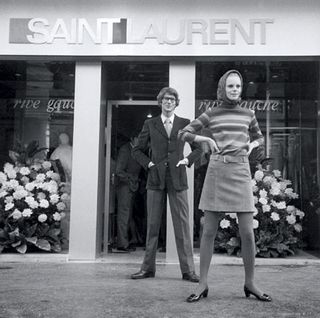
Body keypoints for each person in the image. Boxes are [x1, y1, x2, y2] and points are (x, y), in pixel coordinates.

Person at [179, 70, 272, 302]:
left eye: (238, 86)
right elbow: (184, 133)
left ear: (241, 89)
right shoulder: (211, 113)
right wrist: (205, 139)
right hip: (217, 171)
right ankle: (202, 284)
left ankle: (250, 283)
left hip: (240, 171)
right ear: (223, 88)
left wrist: (252, 146)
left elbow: (260, 137)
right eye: (230, 86)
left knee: (248, 234)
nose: (234, 90)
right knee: (209, 231)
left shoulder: (249, 114)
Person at [131, 87, 202, 282]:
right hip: (155, 180)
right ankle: (147, 269)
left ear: (176, 103)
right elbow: (137, 150)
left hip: (178, 179)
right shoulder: (150, 123)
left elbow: (199, 149)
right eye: (165, 99)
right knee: (152, 226)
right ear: (160, 102)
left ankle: (188, 271)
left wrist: (187, 160)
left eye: (172, 99)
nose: (168, 102)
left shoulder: (184, 123)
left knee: (183, 227)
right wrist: (149, 164)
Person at [115, 135, 141, 252]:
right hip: (125, 187)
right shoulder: (125, 150)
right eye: (139, 138)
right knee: (124, 215)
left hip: (131, 186)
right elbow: (119, 171)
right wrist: (131, 178)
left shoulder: (135, 150)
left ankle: (125, 241)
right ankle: (122, 243)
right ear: (133, 138)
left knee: (128, 215)